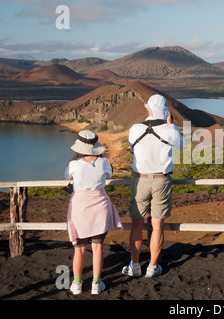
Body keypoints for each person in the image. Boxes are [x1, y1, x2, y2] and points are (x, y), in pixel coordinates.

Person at [122, 94, 183, 278]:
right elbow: (181, 145)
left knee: (136, 224)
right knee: (158, 225)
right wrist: (170, 124)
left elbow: (133, 149)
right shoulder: (170, 129)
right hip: (162, 181)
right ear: (166, 112)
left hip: (140, 180)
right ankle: (152, 266)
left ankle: (134, 265)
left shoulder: (135, 128)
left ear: (147, 109)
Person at [65, 130, 123, 295]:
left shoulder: (74, 165)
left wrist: (74, 156)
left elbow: (65, 175)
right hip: (100, 207)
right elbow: (109, 174)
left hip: (80, 209)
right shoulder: (104, 162)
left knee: (79, 249)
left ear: (79, 147)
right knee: (97, 248)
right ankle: (96, 284)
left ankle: (77, 284)